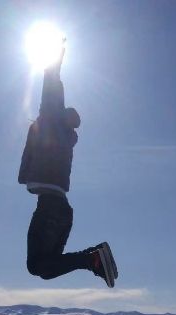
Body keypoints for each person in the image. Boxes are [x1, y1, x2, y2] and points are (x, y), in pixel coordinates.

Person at [19, 46, 117, 287]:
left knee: (38, 266)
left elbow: (52, 84)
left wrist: (54, 60)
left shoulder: (52, 122)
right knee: (44, 267)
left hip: (51, 208)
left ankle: (92, 258)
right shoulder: (64, 137)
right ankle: (92, 258)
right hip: (59, 209)